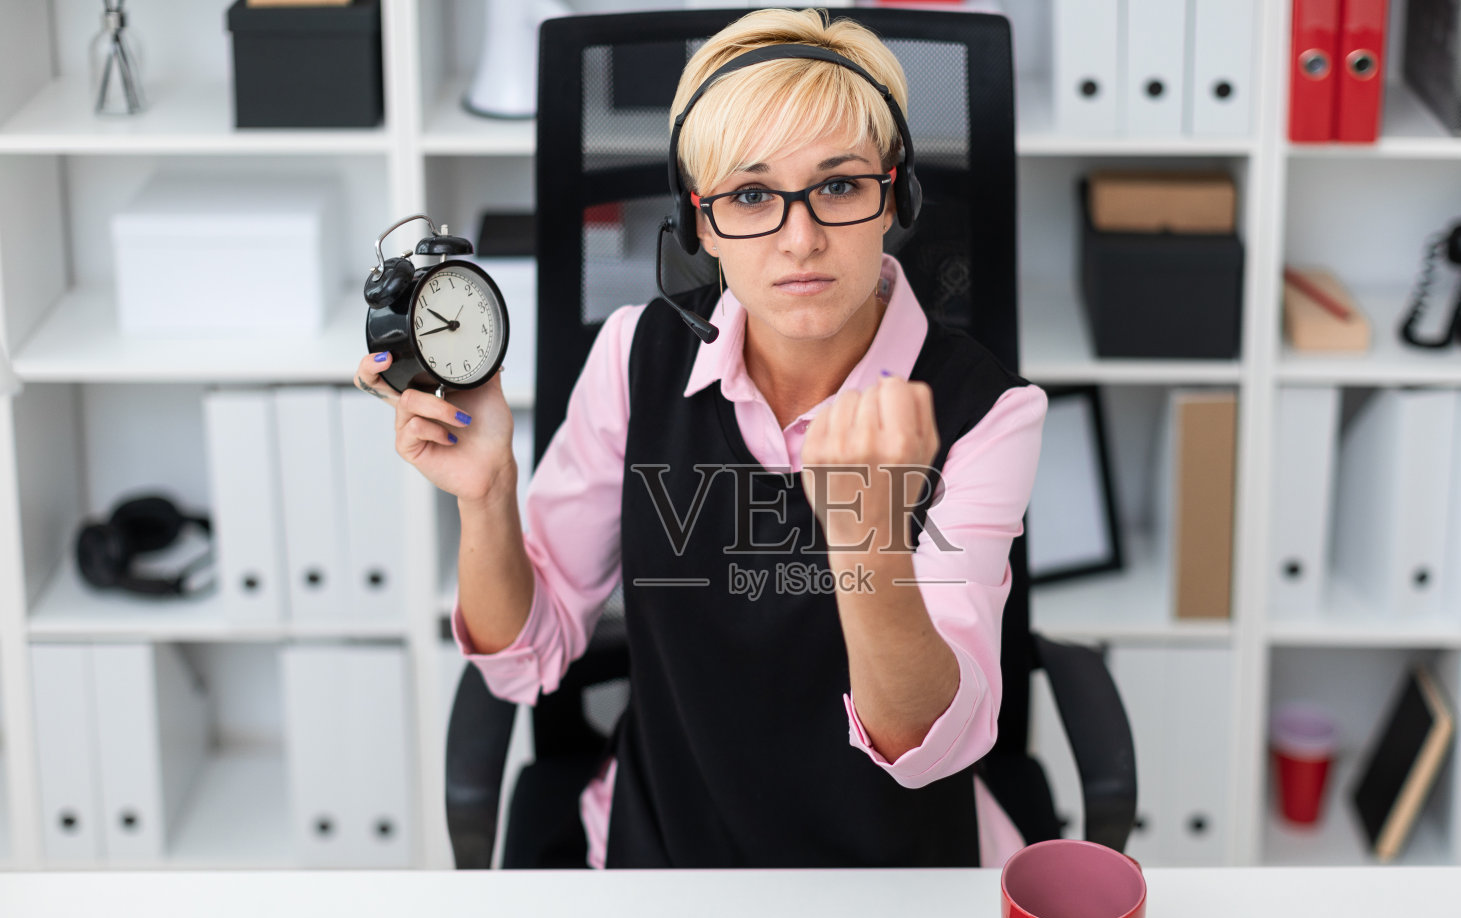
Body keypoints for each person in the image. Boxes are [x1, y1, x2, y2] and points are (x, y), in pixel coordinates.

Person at [354, 7, 1047, 869]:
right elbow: (527, 661)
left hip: (890, 870)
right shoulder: (633, 360)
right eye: (752, 196)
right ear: (702, 225)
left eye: (838, 185)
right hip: (667, 851)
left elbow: (926, 746)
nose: (801, 238)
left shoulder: (986, 413)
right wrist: (489, 494)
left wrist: (868, 535)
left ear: (894, 196)